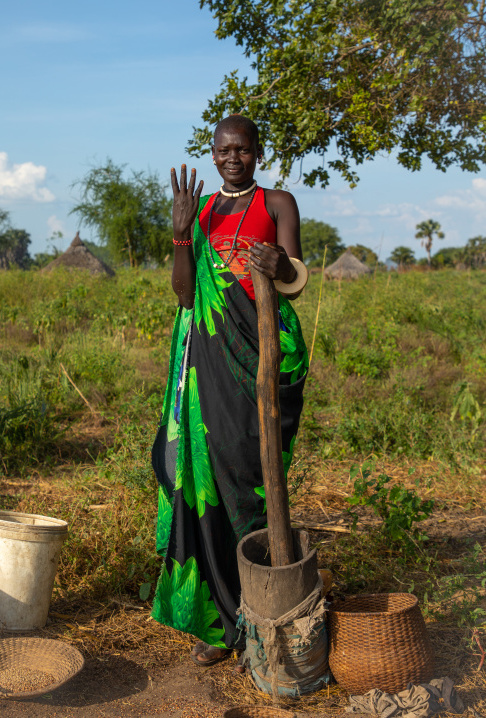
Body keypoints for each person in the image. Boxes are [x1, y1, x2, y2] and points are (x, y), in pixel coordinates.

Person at [151, 115, 308, 668]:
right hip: (207, 363)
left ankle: (265, 616)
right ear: (213, 155)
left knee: (252, 479)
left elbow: (292, 275)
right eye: (223, 150)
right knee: (207, 481)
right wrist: (179, 231)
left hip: (259, 356)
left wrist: (277, 263)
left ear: (257, 153)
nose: (232, 157)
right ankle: (222, 624)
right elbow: (185, 296)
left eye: (242, 149)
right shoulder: (202, 211)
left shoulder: (278, 202)